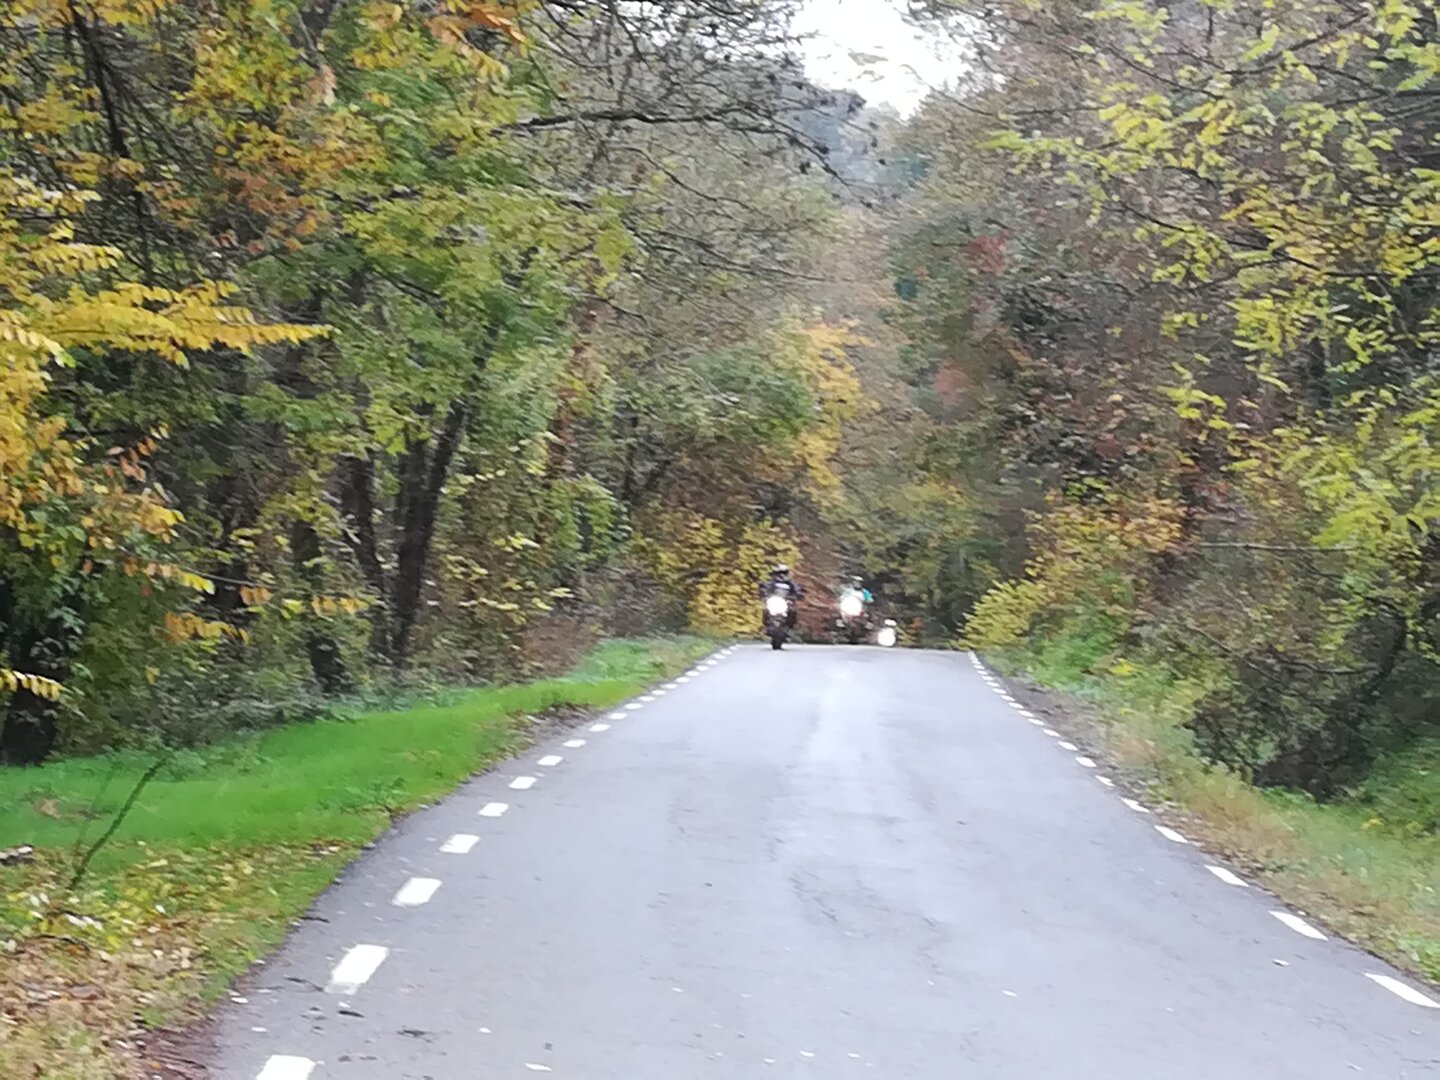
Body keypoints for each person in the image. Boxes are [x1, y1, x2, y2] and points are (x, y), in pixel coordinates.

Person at [759, 563, 803, 629]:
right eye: (778, 573)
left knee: (792, 610)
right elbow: (764, 587)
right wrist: (763, 593)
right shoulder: (771, 582)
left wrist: (798, 594)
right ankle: (766, 625)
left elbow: (797, 589)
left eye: (783, 573)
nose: (781, 575)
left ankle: (791, 627)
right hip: (773, 601)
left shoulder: (790, 583)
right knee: (765, 609)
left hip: (785, 601)